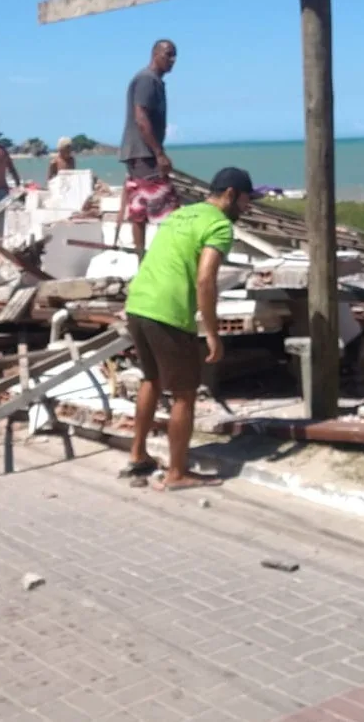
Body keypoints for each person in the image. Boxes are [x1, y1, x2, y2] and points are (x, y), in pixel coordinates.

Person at [122, 167, 258, 491]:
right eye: (245, 200)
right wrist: (212, 332)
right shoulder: (219, 225)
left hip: (138, 303)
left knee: (151, 380)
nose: (247, 208)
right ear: (229, 195)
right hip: (169, 312)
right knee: (184, 394)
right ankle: (177, 473)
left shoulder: (181, 214)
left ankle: (138, 455)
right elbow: (205, 278)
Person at [116, 39, 179, 258]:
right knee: (166, 208)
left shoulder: (154, 81)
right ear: (155, 54)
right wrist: (159, 153)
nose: (172, 60)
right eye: (168, 54)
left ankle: (143, 260)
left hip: (140, 153)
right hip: (144, 153)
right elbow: (141, 117)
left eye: (174, 56)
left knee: (141, 207)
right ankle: (160, 259)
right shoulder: (146, 80)